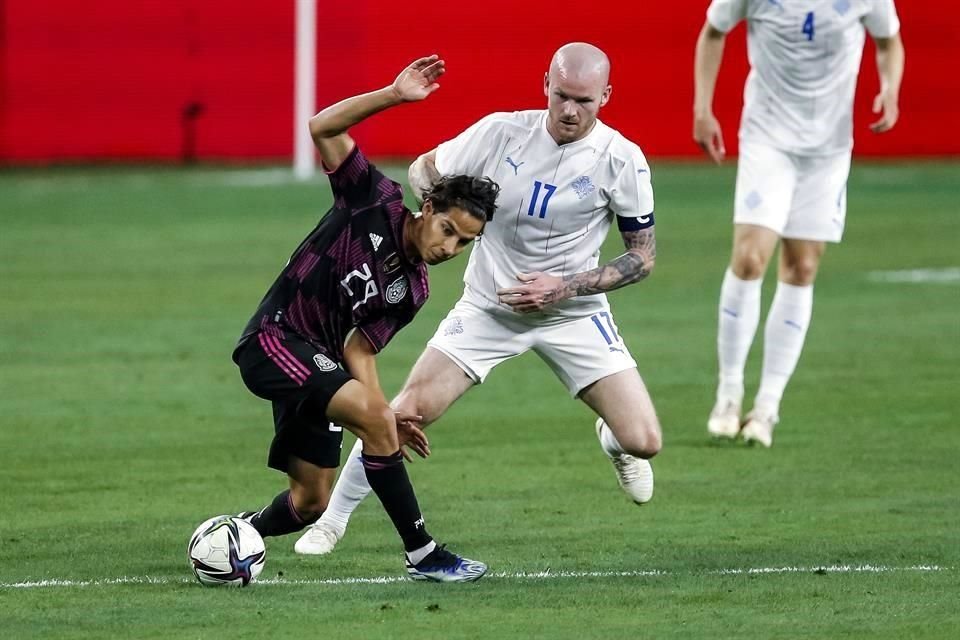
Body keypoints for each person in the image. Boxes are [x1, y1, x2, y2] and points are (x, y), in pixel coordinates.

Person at [296, 42, 663, 556]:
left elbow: (642, 257)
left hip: (574, 312)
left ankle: (613, 440)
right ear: (545, 85)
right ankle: (330, 522)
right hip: (489, 307)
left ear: (605, 95)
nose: (570, 111)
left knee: (644, 440)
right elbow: (425, 172)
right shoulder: (500, 132)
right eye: (561, 96)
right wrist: (444, 202)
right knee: (406, 411)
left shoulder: (622, 159)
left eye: (584, 100)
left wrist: (566, 287)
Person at [231, 55, 500, 582]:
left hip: (321, 365)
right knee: (378, 423)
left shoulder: (414, 289)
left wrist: (384, 411)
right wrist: (394, 96)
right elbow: (321, 126)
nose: (451, 247)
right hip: (274, 340)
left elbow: (361, 350)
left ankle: (237, 533)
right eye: (447, 229)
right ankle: (423, 554)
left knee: (309, 502)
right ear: (427, 208)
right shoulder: (370, 200)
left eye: (465, 243)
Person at [694, 1, 905, 447]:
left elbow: (889, 41)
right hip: (767, 136)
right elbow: (713, 32)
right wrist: (702, 107)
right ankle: (729, 393)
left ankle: (766, 408)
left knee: (802, 266)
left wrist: (890, 87)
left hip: (827, 149)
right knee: (750, 258)